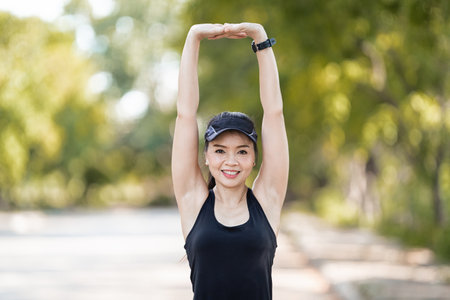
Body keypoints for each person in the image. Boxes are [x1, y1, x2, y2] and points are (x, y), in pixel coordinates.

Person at [171, 22, 289, 300]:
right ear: (207, 157)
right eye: (220, 150)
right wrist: (193, 38)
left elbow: (274, 113)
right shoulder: (193, 202)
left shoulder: (267, 201)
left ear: (254, 158)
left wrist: (260, 38)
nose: (231, 161)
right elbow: (185, 115)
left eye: (242, 151)